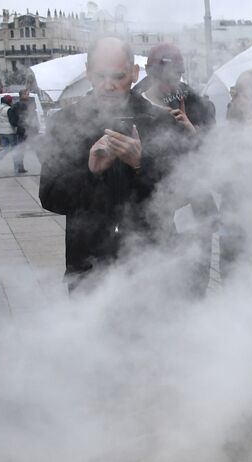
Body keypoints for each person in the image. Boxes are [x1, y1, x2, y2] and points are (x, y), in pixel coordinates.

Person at [37, 37, 179, 289]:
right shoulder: (66, 123)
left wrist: (140, 164)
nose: (108, 85)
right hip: (88, 267)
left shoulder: (159, 122)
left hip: (150, 266)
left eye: (118, 76)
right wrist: (90, 173)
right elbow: (50, 197)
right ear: (89, 74)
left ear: (134, 73)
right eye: (100, 76)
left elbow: (179, 194)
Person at [0, 95, 18, 172]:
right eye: (11, 101)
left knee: (5, 149)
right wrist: (18, 125)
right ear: (9, 102)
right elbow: (13, 122)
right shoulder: (9, 109)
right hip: (9, 132)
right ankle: (16, 168)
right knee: (15, 149)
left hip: (1, 132)